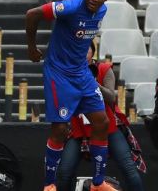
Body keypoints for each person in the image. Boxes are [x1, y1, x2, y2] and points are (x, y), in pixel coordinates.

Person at [25, 0, 118, 191]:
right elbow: (32, 14)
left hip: (82, 73)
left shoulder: (102, 11)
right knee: (60, 128)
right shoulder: (70, 7)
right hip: (59, 74)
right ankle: (49, 185)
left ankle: (97, 183)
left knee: (102, 122)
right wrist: (31, 47)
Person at [56, 42, 145, 191]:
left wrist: (90, 82)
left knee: (128, 168)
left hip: (107, 126)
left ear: (93, 53)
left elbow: (111, 97)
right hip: (79, 128)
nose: (82, 53)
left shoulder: (103, 69)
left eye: (86, 50)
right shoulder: (67, 73)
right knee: (64, 172)